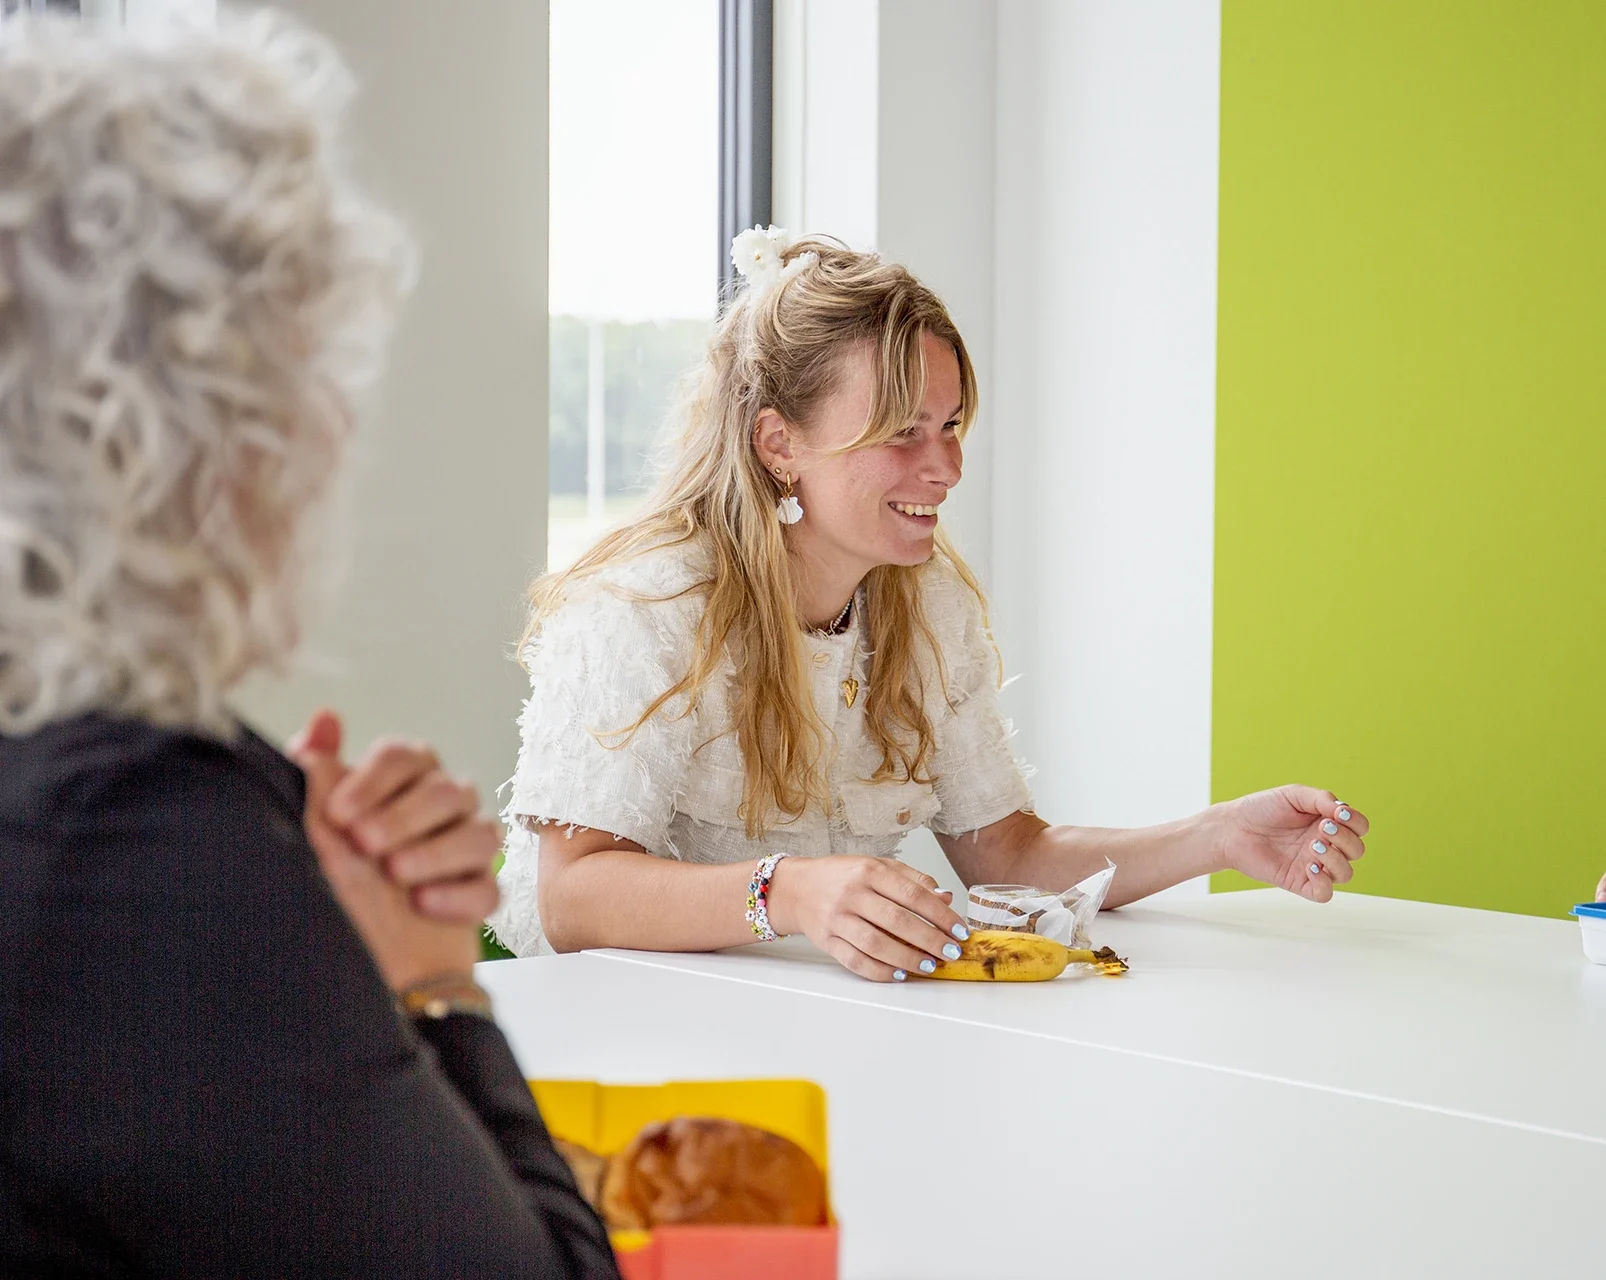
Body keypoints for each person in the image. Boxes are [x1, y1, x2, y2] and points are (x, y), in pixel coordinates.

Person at [0, 14, 617, 1277]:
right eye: (310, 367)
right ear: (213, 419)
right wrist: (432, 982)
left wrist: (305, 902)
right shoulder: (131, 843)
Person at [490, 227, 1372, 980]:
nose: (944, 467)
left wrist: (1217, 835)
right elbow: (572, 895)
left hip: (811, 1027)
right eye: (900, 433)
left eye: (949, 425)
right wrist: (791, 889)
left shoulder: (929, 604)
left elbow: (1009, 855)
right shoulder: (642, 606)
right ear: (779, 444)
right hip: (621, 1041)